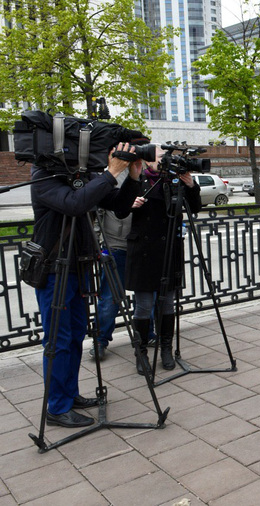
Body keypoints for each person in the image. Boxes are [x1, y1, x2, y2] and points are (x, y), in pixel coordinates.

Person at [30, 143, 142, 428]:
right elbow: (74, 204)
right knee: (59, 340)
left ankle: (69, 395)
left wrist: (132, 177)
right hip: (55, 268)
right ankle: (56, 407)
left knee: (76, 334)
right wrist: (110, 172)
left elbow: (119, 205)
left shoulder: (84, 178)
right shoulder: (43, 176)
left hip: (78, 266)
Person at [121, 160, 201, 375]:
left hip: (169, 249)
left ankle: (166, 348)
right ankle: (141, 353)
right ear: (147, 159)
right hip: (143, 251)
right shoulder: (137, 178)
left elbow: (195, 208)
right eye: (157, 156)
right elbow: (119, 209)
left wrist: (191, 185)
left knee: (167, 305)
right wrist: (131, 201)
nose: (162, 161)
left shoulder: (175, 181)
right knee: (144, 305)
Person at [89, 171, 156, 361]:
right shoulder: (110, 175)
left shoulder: (150, 175)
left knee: (147, 296)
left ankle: (147, 334)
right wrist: (97, 246)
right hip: (116, 246)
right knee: (110, 298)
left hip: (143, 247)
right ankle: (100, 340)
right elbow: (98, 214)